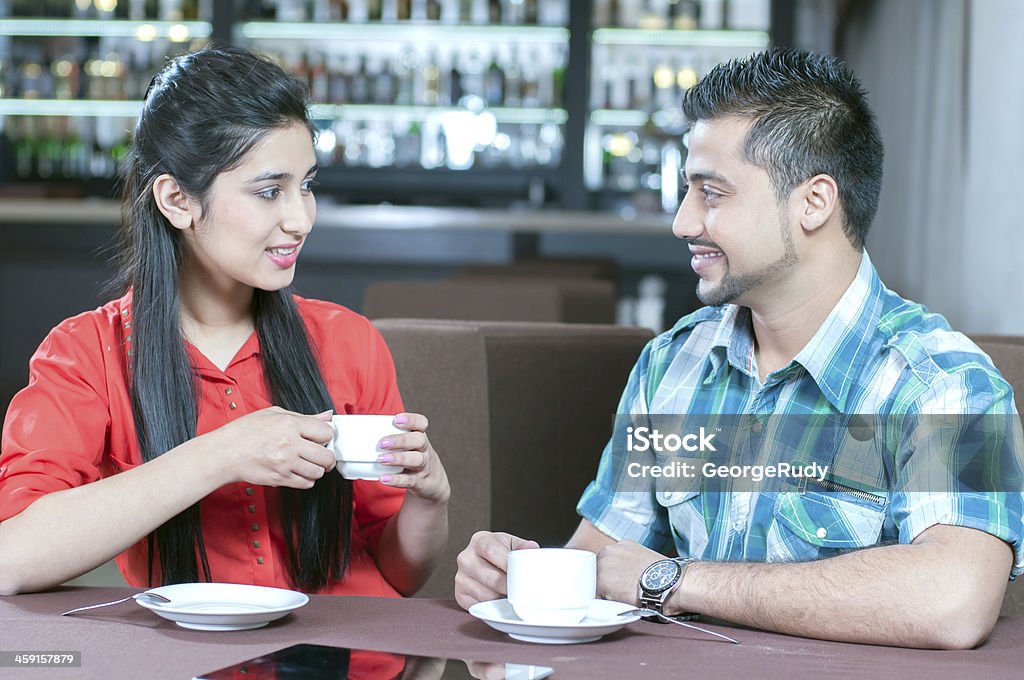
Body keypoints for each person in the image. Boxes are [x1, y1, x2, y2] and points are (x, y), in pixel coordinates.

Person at [454, 49, 1024, 649]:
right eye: (686, 191)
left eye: (712, 193)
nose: (682, 222)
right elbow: (600, 563)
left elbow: (953, 600)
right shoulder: (673, 364)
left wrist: (670, 580)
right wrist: (516, 577)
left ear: (814, 202)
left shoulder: (944, 383)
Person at [0, 47, 450, 598]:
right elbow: (12, 558)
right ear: (177, 200)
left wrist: (431, 500)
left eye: (306, 185)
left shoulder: (349, 341)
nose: (301, 218)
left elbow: (398, 577)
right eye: (269, 192)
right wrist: (223, 453)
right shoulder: (85, 353)